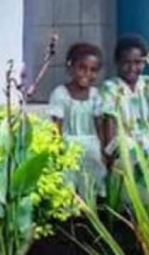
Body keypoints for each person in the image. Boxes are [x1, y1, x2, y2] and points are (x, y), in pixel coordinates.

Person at [100, 35, 149, 180]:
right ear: (117, 62)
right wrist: (109, 153)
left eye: (138, 62)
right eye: (126, 62)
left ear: (145, 62)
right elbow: (109, 120)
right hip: (124, 145)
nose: (132, 68)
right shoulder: (111, 87)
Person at [48, 42, 106, 198]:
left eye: (93, 70)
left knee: (93, 188)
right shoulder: (60, 94)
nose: (87, 73)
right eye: (82, 68)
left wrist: (104, 151)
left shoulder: (95, 95)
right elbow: (56, 127)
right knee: (70, 190)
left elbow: (99, 124)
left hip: (92, 148)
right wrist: (57, 153)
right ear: (70, 68)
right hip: (69, 147)